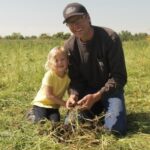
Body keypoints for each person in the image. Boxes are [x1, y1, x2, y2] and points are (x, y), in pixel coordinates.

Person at [62, 3, 127, 135]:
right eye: (70, 23)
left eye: (79, 19)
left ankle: (114, 110)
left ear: (88, 18)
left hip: (111, 90)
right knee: (71, 125)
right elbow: (75, 79)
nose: (76, 25)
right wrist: (74, 95)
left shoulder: (110, 38)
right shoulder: (69, 46)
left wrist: (97, 96)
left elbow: (119, 77)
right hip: (87, 93)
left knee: (114, 129)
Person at [31, 46, 70, 123]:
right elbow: (49, 95)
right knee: (41, 122)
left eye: (62, 59)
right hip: (41, 104)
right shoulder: (50, 75)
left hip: (54, 107)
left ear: (68, 61)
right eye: (56, 60)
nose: (60, 62)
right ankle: (30, 115)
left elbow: (70, 92)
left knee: (55, 123)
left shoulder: (68, 77)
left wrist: (70, 101)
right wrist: (65, 104)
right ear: (51, 63)